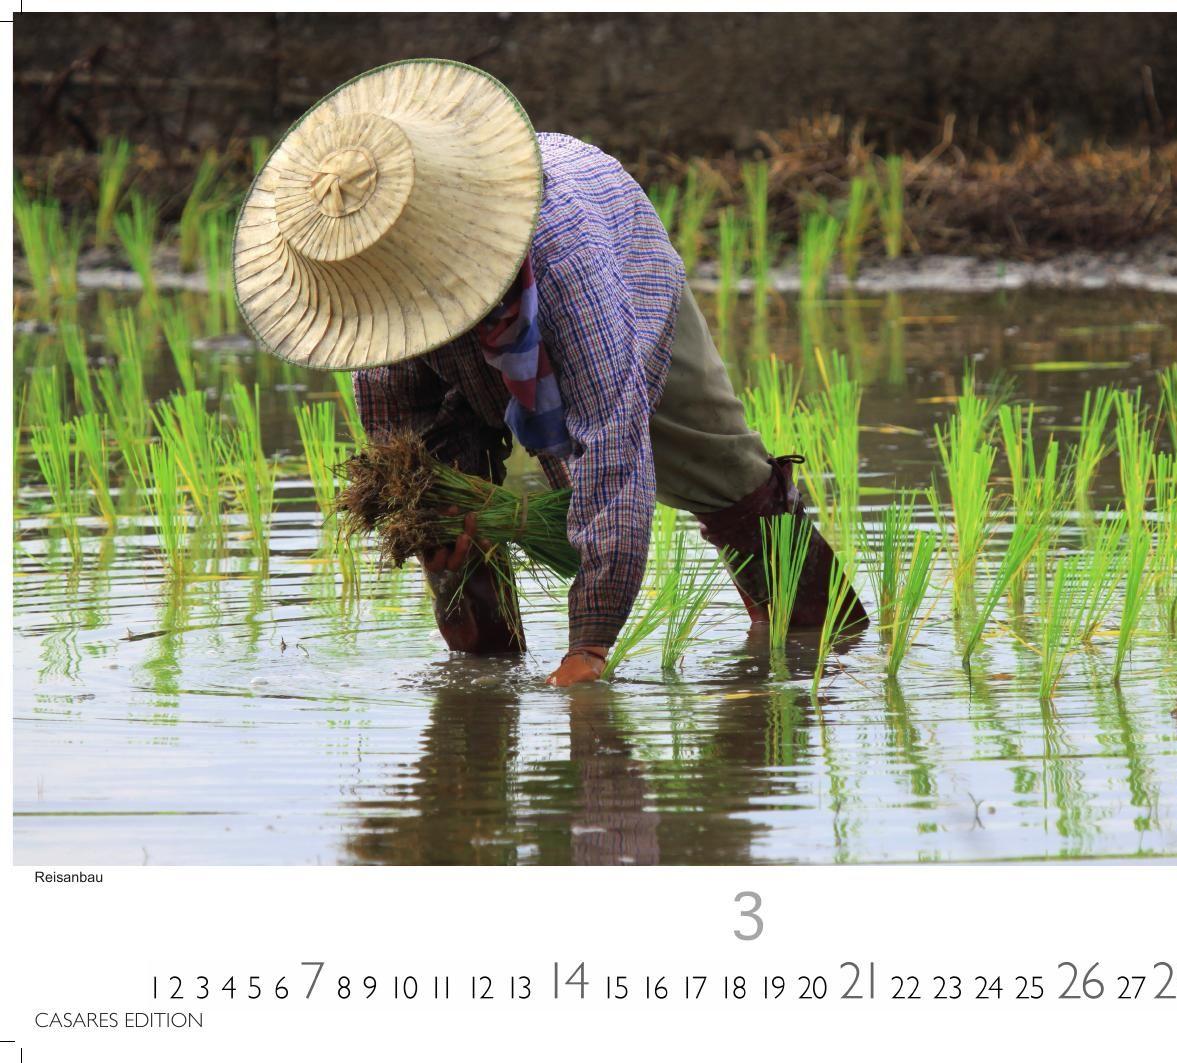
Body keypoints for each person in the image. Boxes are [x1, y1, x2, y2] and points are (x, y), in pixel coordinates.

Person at [233, 58, 863, 687]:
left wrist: (590, 645)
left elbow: (611, 450)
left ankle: (823, 637)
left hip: (624, 273)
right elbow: (402, 444)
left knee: (725, 475)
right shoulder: (370, 297)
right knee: (450, 516)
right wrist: (429, 519)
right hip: (457, 324)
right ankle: (481, 687)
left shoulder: (566, 261)